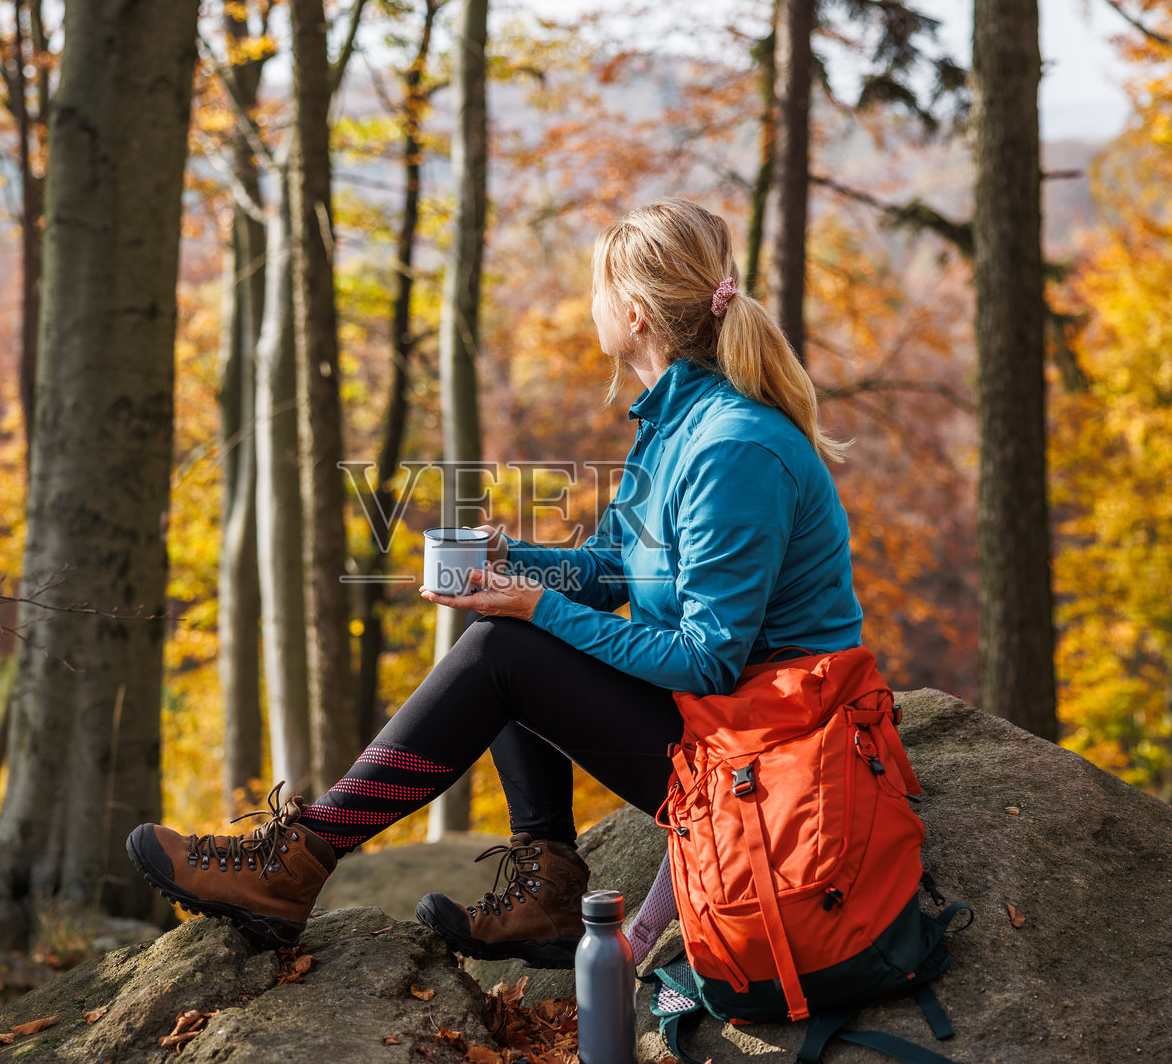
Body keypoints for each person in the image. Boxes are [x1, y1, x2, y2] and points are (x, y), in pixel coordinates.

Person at [126, 196, 863, 968]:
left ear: (636, 313)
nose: (590, 306)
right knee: (512, 630)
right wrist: (513, 566)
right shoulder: (674, 425)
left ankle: (297, 860)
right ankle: (545, 882)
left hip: (762, 762)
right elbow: (608, 567)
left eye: (598, 290)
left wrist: (537, 605)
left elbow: (710, 658)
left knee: (508, 646)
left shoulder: (732, 448)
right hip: (717, 729)